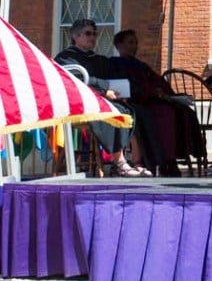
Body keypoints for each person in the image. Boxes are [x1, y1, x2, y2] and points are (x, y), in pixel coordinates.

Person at [54, 19, 146, 177]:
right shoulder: (66, 58)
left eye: (94, 34)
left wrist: (118, 91)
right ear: (75, 36)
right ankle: (121, 162)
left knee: (129, 110)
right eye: (88, 33)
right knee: (112, 112)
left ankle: (136, 161)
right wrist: (104, 91)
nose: (92, 37)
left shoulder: (97, 59)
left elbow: (110, 79)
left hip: (99, 99)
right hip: (78, 104)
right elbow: (78, 79)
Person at [111, 29, 202, 176]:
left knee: (183, 112)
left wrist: (165, 94)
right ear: (119, 45)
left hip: (153, 100)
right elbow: (127, 87)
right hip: (136, 102)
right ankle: (164, 160)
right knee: (163, 113)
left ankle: (176, 158)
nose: (135, 46)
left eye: (136, 43)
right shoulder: (115, 65)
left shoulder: (141, 65)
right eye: (130, 42)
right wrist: (152, 93)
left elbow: (158, 82)